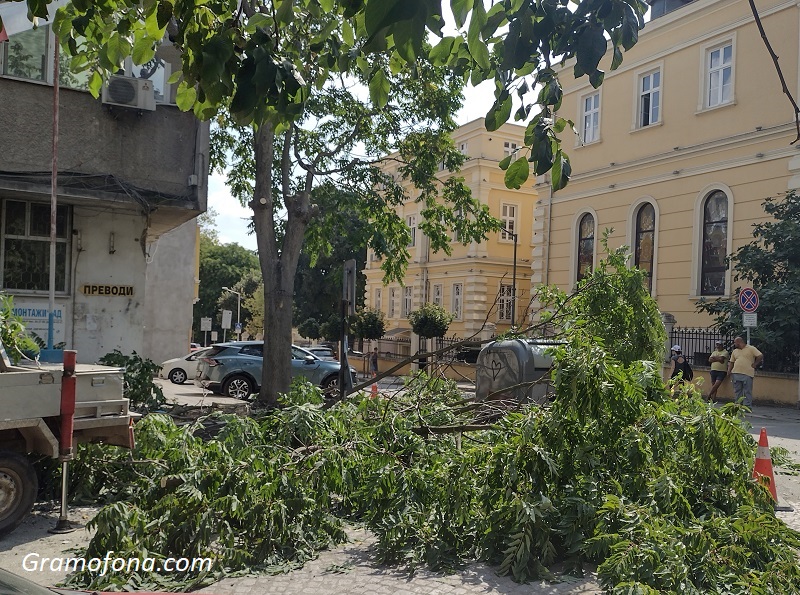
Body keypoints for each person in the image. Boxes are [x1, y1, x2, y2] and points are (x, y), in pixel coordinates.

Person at [727, 336, 763, 407]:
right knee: (737, 391)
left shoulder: (751, 348)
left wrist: (755, 364)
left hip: (747, 373)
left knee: (747, 391)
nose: (734, 344)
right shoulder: (735, 351)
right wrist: (729, 370)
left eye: (735, 342)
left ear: (739, 342)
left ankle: (747, 406)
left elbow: (760, 355)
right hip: (736, 373)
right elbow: (731, 362)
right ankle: (738, 405)